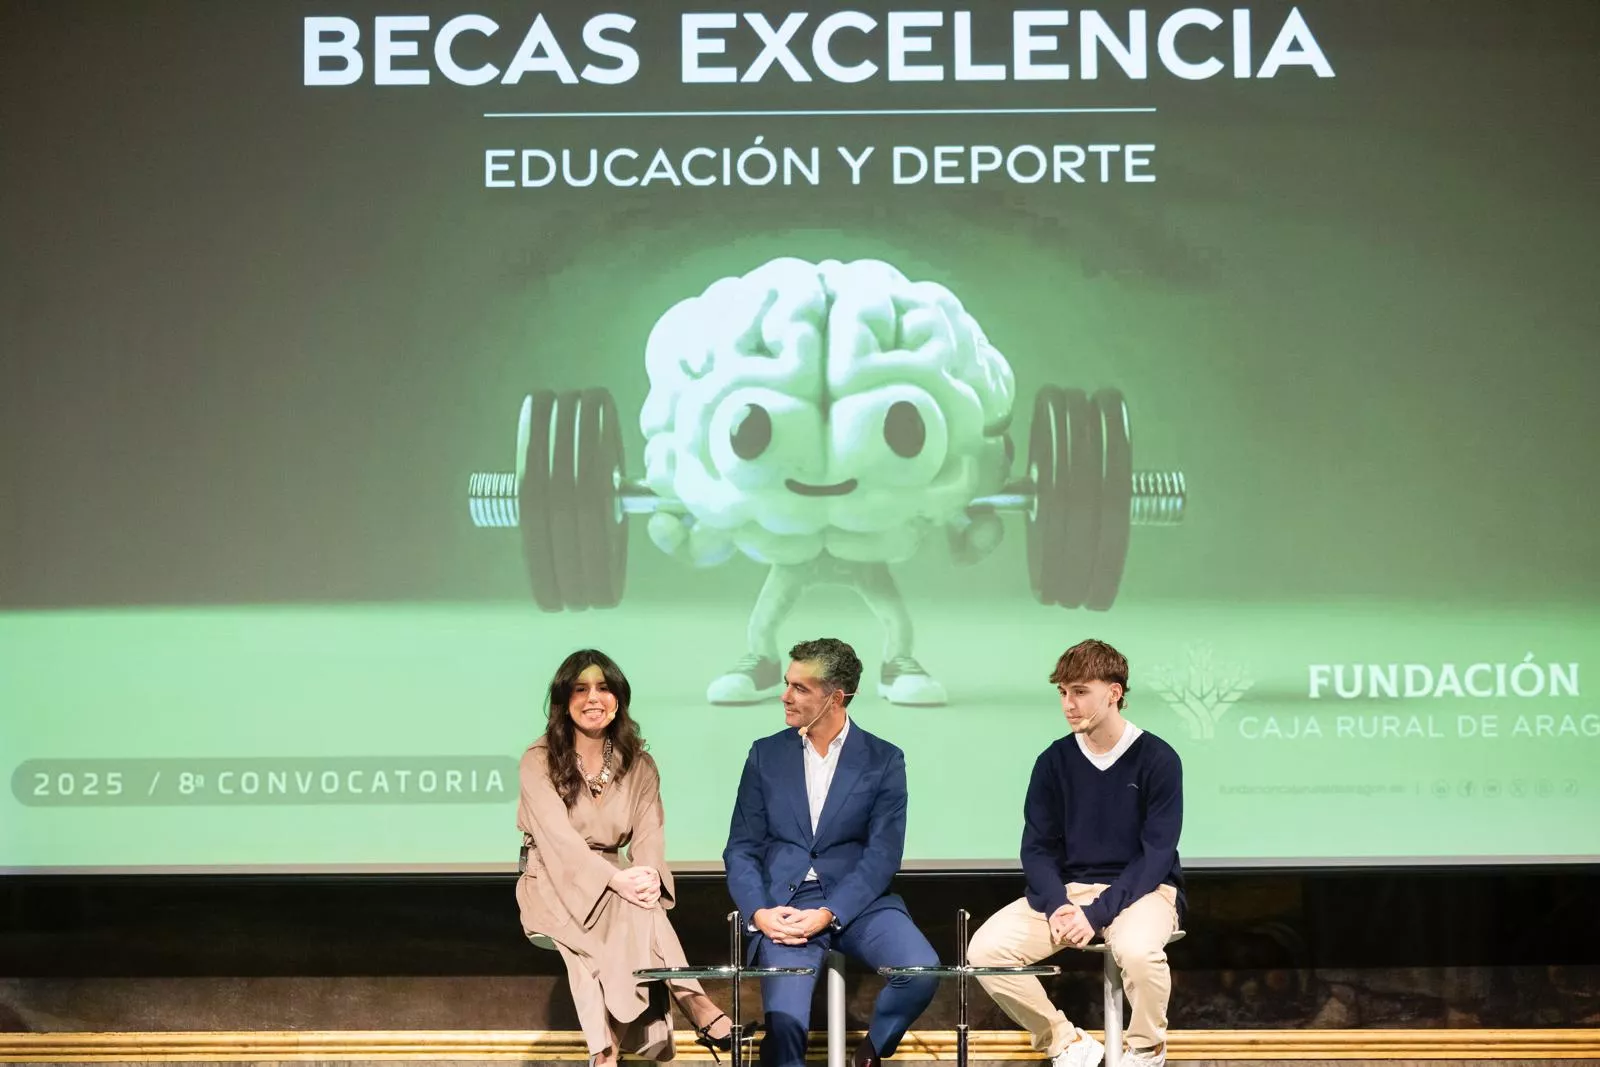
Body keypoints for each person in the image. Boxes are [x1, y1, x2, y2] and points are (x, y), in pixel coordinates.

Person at [968, 639, 1186, 1067]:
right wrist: (1057, 904)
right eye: (1063, 692)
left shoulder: (1158, 758)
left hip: (1145, 891)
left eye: (1081, 691)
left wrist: (1096, 914)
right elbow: (1037, 847)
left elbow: (1156, 854)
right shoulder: (1053, 761)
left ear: (1114, 692)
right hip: (1071, 892)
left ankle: (1146, 1048)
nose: (1069, 704)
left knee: (1139, 952)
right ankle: (1065, 1042)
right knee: (986, 952)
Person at [723, 637, 940, 1067]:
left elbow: (882, 855)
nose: (785, 696)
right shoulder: (766, 754)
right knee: (786, 1026)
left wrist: (830, 912)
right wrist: (759, 913)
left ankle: (870, 1054)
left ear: (835, 698)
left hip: (860, 903)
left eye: (799, 688)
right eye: (787, 683)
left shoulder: (883, 759)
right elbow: (741, 848)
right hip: (785, 906)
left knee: (919, 971)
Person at [517, 649, 734, 1067]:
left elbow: (650, 835)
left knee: (640, 904)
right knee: (633, 913)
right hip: (551, 881)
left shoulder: (639, 764)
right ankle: (696, 1003)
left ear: (618, 698)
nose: (593, 698)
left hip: (617, 885)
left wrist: (647, 875)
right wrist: (618, 881)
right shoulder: (538, 759)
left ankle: (606, 1054)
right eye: (580, 689)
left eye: (603, 688)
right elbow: (558, 840)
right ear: (563, 700)